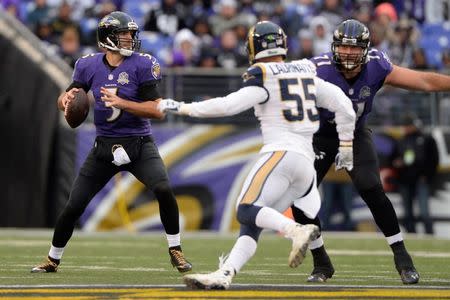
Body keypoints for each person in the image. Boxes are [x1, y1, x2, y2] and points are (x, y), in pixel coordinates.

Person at [157, 21, 356, 290]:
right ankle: (225, 273)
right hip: (307, 163)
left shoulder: (264, 73)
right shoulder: (307, 70)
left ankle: (296, 230)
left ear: (254, 47)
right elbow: (345, 105)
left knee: (245, 208)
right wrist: (345, 145)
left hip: (281, 153)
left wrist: (180, 106)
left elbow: (228, 105)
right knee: (252, 221)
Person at [291, 18, 450, 285]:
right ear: (334, 48)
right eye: (344, 47)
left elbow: (423, 80)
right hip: (319, 135)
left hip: (354, 133)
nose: (349, 53)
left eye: (355, 48)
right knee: (300, 195)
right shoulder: (317, 69)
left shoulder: (377, 65)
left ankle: (402, 257)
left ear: (365, 49)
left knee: (371, 188)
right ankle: (321, 262)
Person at [31, 11, 192, 274]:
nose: (130, 39)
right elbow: (72, 91)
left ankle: (176, 250)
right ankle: (52, 259)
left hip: (139, 143)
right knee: (74, 204)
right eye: (124, 34)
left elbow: (156, 109)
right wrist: (64, 99)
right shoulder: (87, 64)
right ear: (108, 38)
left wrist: (123, 103)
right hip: (104, 146)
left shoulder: (143, 64)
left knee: (163, 187)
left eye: (131, 34)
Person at [394, 113, 439, 234]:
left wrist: (427, 176)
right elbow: (393, 159)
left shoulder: (427, 139)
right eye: (405, 125)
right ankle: (411, 235)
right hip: (405, 179)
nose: (406, 128)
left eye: (408, 125)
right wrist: (397, 163)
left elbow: (434, 159)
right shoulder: (401, 141)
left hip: (421, 179)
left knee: (424, 212)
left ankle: (430, 235)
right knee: (407, 212)